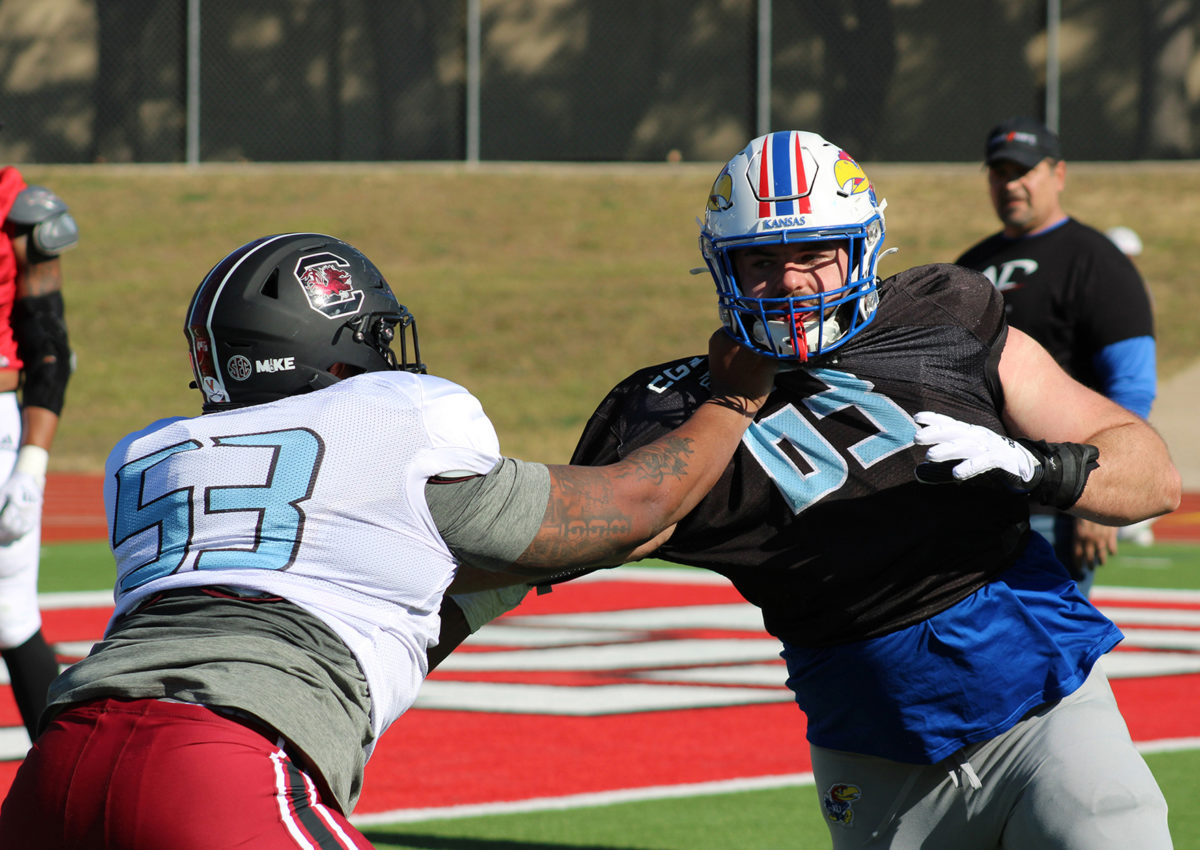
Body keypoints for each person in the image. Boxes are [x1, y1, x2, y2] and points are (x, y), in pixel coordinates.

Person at [0, 232, 775, 848]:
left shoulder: (152, 458)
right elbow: (636, 503)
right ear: (334, 349)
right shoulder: (392, 421)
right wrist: (736, 395)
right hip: (213, 765)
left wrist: (536, 569)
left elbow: (378, 594)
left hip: (54, 771)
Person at [564, 131, 1180, 848]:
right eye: (761, 260)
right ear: (721, 267)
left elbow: (1152, 473)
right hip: (874, 752)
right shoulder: (671, 409)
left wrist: (1041, 469)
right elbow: (557, 537)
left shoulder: (940, 316)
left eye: (812, 254)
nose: (790, 281)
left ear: (860, 247)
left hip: (1044, 709)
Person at [955, 117, 1158, 595]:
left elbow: (1130, 385)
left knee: (1049, 660)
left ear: (1058, 174)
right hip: (975, 503)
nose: (1011, 184)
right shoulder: (971, 266)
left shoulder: (1095, 259)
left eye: (1024, 171)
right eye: (1000, 172)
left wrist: (1100, 492)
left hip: (1054, 504)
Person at [0, 165, 76, 739]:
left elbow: (48, 344)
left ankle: (62, 778)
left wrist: (32, 462)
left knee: (10, 614)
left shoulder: (14, 202)